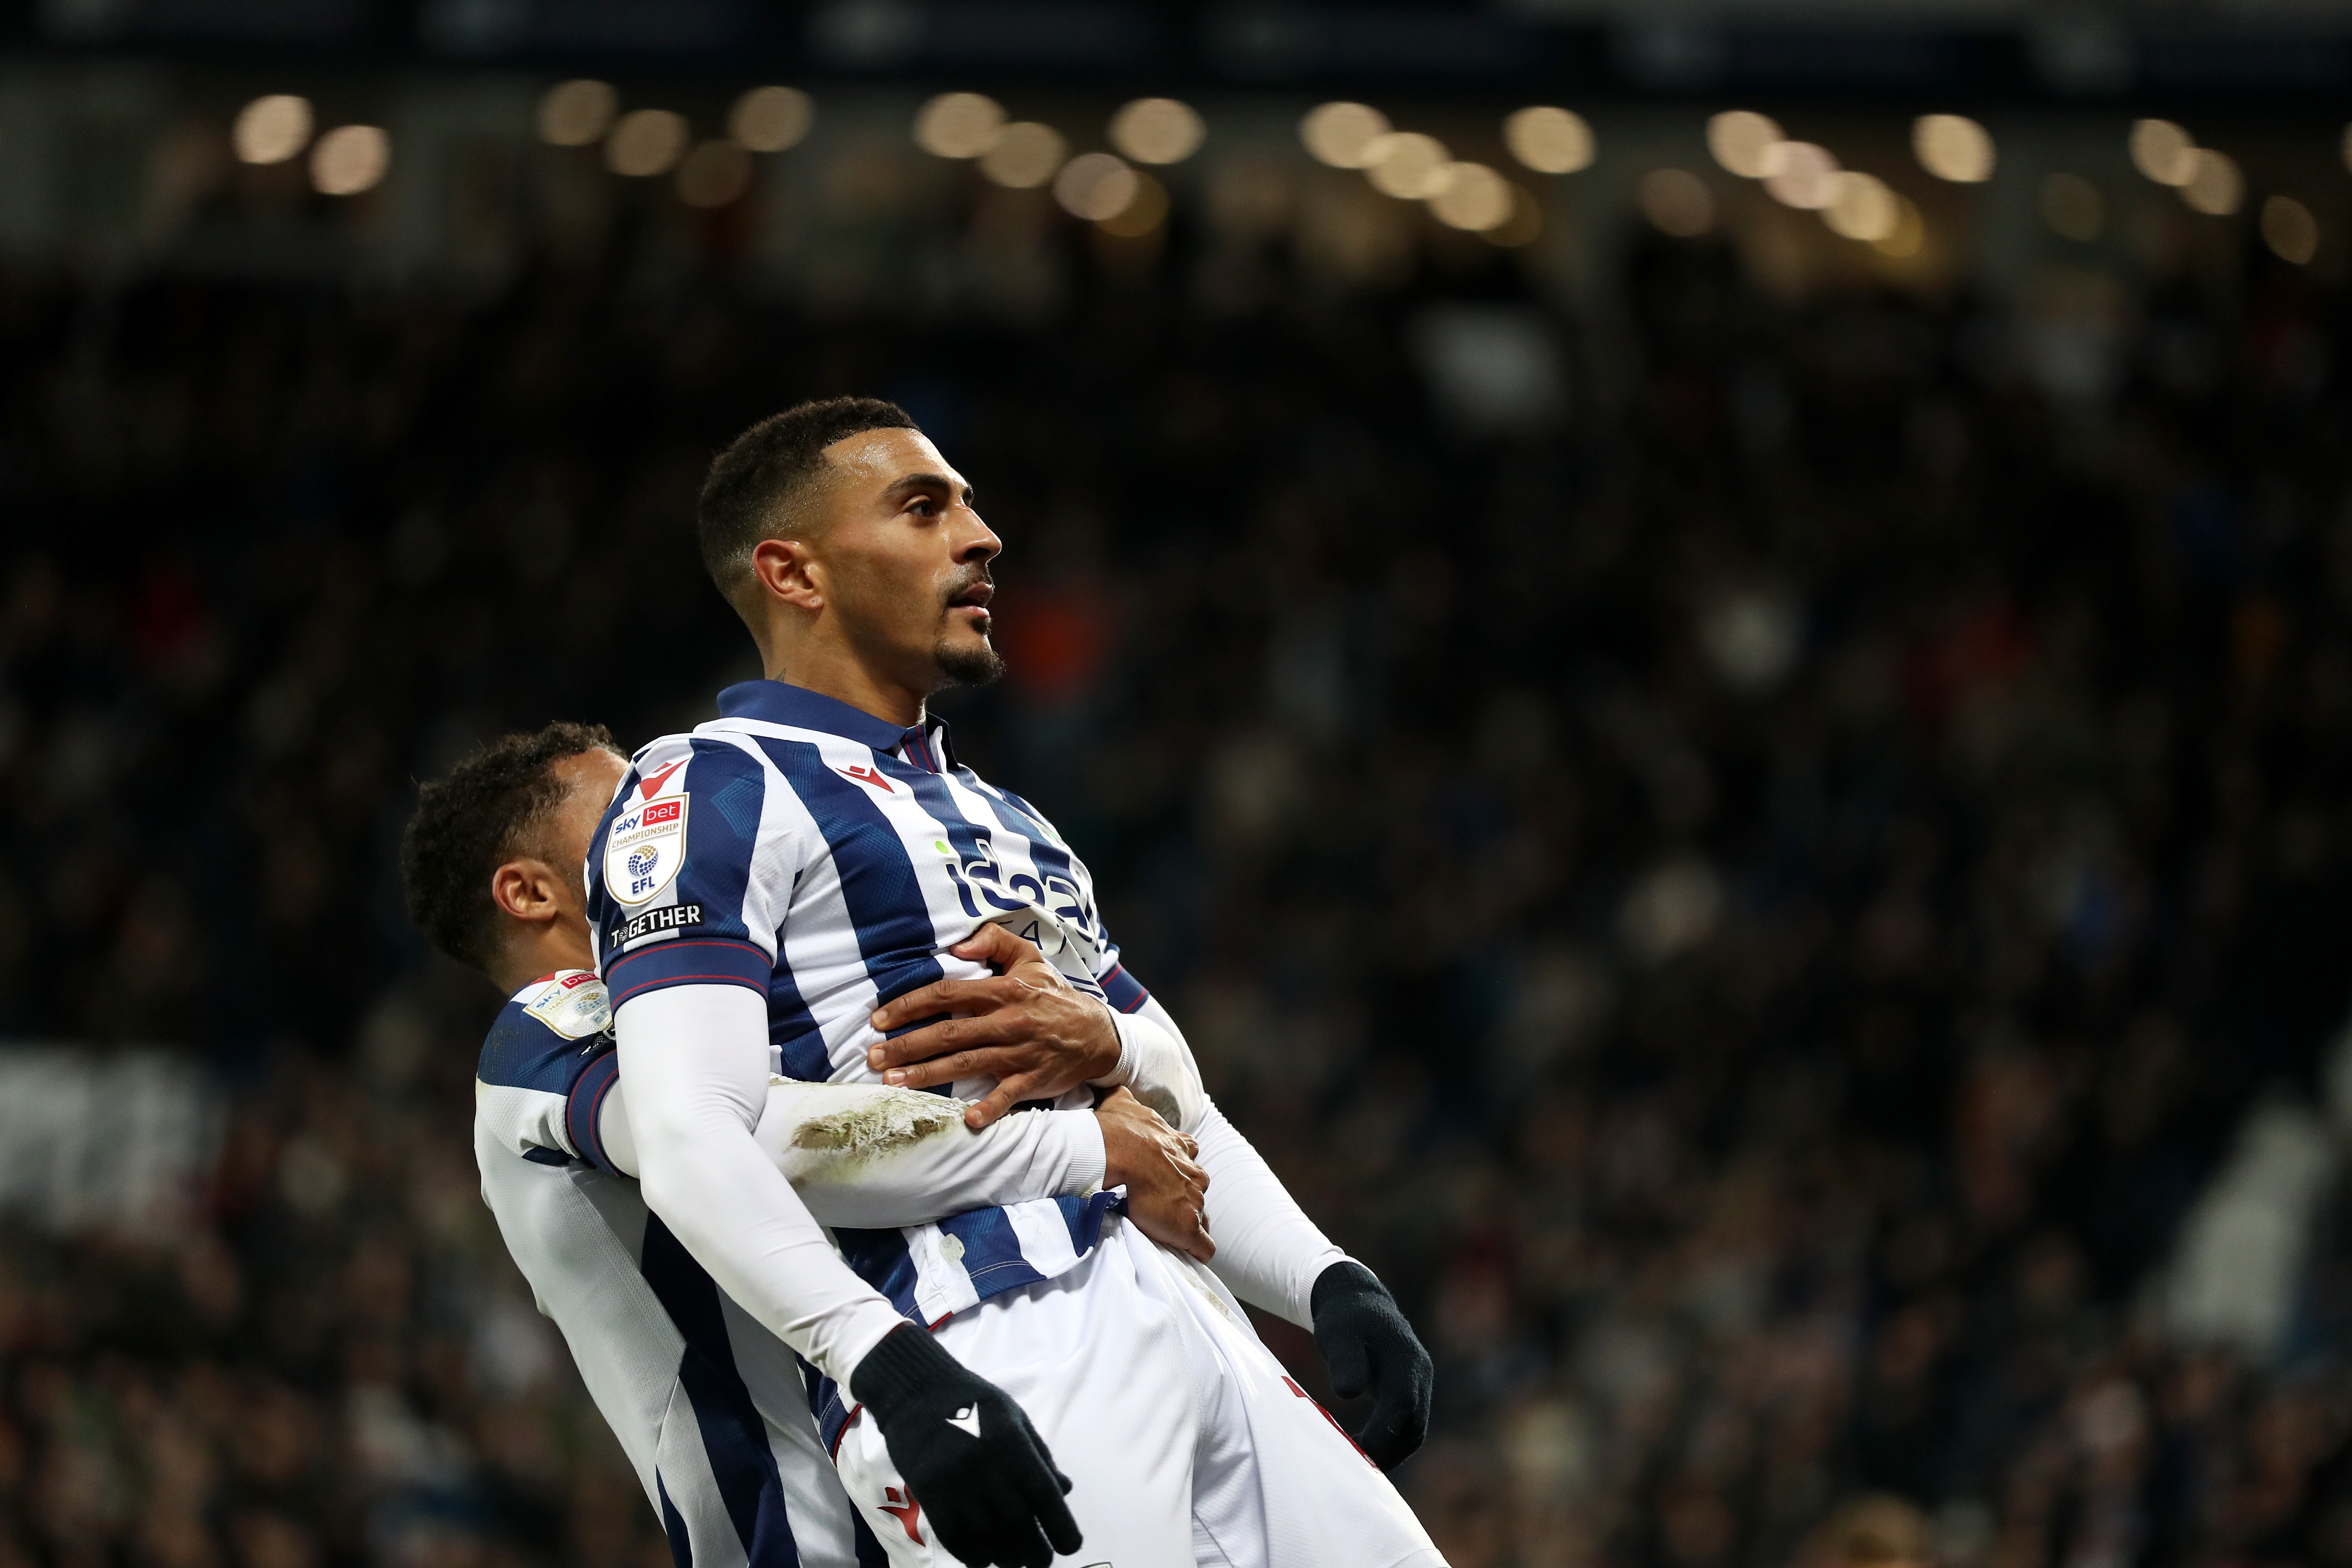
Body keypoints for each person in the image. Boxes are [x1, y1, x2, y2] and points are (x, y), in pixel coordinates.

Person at [592, 396, 1443, 1567]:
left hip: (1194, 1310)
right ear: (793, 573)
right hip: (984, 1330)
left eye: (972, 503)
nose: (982, 535)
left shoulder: (1014, 818)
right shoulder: (704, 790)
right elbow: (690, 1132)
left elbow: (1169, 1101)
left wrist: (1329, 1279)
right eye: (923, 506)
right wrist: (887, 1369)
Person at [402, 720, 1214, 1567]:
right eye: (624, 806)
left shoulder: (706, 1002)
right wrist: (1085, 1144)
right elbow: (781, 1139)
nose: (663, 812)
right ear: (529, 895)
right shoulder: (551, 1026)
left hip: (919, 1481)